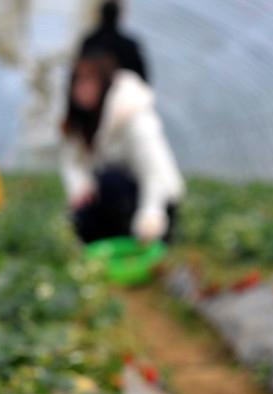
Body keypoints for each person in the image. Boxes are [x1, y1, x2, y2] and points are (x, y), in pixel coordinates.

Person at [60, 51, 183, 244]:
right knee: (86, 204)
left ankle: (136, 244)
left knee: (110, 181)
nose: (81, 88)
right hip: (117, 203)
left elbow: (154, 171)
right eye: (77, 81)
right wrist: (80, 187)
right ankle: (102, 251)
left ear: (104, 83)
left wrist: (150, 216)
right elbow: (73, 163)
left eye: (88, 81)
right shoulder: (82, 123)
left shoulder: (134, 116)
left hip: (155, 201)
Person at [79, 1, 148, 82]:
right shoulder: (129, 46)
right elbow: (143, 78)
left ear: (101, 16)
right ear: (118, 17)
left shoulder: (90, 42)